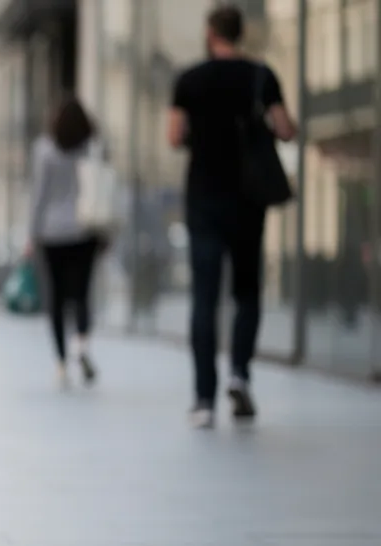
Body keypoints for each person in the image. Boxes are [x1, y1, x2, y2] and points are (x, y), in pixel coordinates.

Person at [168, 4, 296, 428]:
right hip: (248, 199)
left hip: (204, 198)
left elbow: (173, 136)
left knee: (204, 297)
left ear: (210, 33)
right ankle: (240, 374)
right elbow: (286, 129)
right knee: (247, 292)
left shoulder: (189, 80)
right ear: (241, 34)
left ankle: (204, 400)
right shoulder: (261, 75)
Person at [26, 97, 103, 387]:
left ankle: (61, 363)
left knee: (56, 300)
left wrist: (32, 234)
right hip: (86, 229)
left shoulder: (44, 150)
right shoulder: (92, 148)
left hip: (52, 233)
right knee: (82, 293)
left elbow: (39, 195)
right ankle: (81, 345)